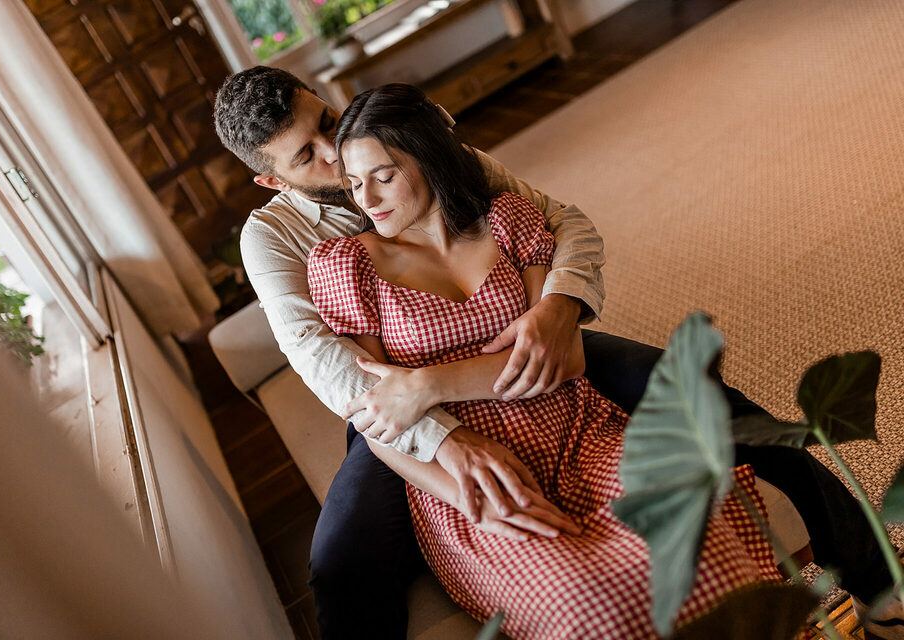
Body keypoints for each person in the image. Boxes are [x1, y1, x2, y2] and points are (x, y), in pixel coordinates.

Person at [212, 67, 899, 639]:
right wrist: (446, 442)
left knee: (710, 399)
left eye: (328, 123)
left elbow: (562, 223)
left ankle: (877, 578)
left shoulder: (412, 148)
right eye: (306, 156)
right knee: (340, 568)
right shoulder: (276, 242)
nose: (337, 154)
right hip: (393, 394)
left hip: (524, 341)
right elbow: (331, 368)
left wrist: (555, 310)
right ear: (273, 182)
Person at [306, 82, 786, 638]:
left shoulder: (508, 220)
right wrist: (468, 494)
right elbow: (383, 421)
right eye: (353, 182)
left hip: (579, 429)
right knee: (593, 608)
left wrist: (426, 386)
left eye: (382, 175)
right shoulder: (345, 264)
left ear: (429, 155)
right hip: (471, 474)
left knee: (699, 542)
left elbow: (563, 359)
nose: (364, 198)